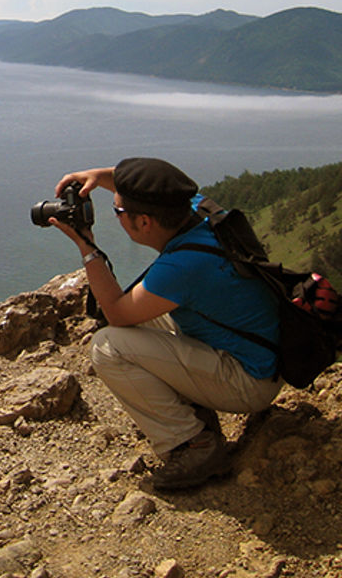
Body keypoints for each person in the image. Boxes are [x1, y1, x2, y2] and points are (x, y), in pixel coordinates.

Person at [48, 157, 282, 490]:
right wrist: (98, 178)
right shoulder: (198, 212)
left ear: (143, 222)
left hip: (248, 382)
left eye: (118, 212)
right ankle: (196, 419)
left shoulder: (182, 267)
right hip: (261, 355)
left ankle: (193, 446)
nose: (116, 218)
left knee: (108, 346)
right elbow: (156, 187)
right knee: (142, 317)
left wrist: (86, 247)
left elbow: (115, 312)